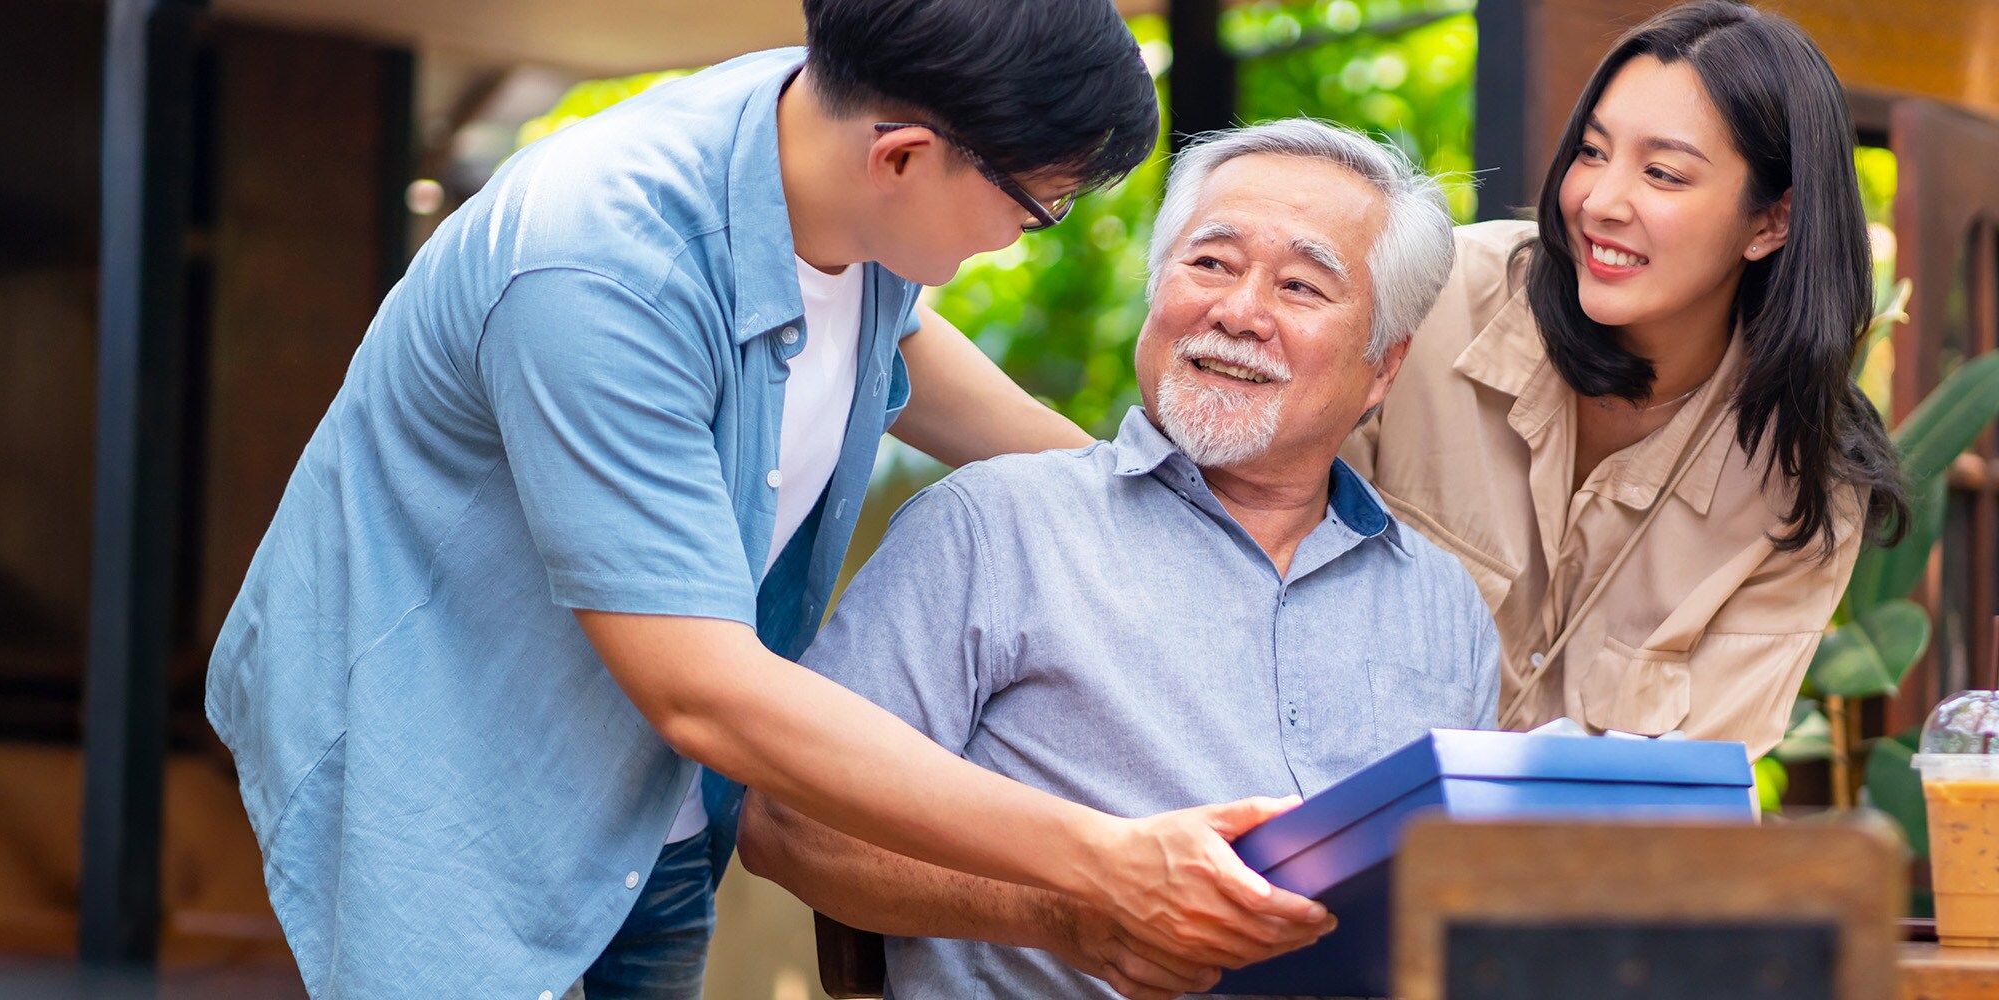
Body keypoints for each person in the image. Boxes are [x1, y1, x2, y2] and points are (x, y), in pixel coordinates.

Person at [206, 1, 1294, 996]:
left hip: (656, 804)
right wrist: (1107, 860)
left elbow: (893, 331)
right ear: (905, 158)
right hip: (462, 763)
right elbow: (704, 690)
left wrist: (1130, 499)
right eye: (1039, 207)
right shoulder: (599, 270)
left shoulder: (822, 135)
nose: (1025, 233)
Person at [741, 118, 1495, 1000]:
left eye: (1300, 284)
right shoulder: (997, 527)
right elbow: (790, 825)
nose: (1239, 312)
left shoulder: (1444, 605)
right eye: (1209, 263)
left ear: (1383, 369)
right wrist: (1068, 913)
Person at [1343, 0, 1907, 760]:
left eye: (1664, 173)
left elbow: (1683, 793)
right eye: (1592, 151)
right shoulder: (1430, 299)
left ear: (1772, 222)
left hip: (1587, 873)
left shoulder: (1804, 485)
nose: (1600, 203)